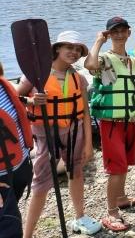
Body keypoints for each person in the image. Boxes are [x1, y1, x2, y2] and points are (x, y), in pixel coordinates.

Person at [17, 31, 102, 237]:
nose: (73, 52)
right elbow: (16, 98)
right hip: (46, 135)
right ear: (56, 49)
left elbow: (86, 111)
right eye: (69, 48)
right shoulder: (35, 74)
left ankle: (79, 217)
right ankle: (27, 234)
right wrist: (31, 101)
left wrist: (89, 143)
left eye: (77, 49)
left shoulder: (79, 78)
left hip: (75, 132)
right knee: (41, 183)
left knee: (77, 173)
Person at [85, 17, 135, 231]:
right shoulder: (105, 59)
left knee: (125, 163)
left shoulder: (132, 61)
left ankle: (121, 199)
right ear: (109, 34)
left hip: (130, 120)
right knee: (115, 168)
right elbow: (90, 65)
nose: (119, 34)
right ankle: (111, 213)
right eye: (114, 31)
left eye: (122, 30)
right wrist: (98, 41)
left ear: (129, 33)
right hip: (111, 123)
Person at [0, 61, 33, 237]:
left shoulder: (2, 84)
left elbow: (13, 100)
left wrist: (31, 101)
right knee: (10, 229)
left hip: (19, 166)